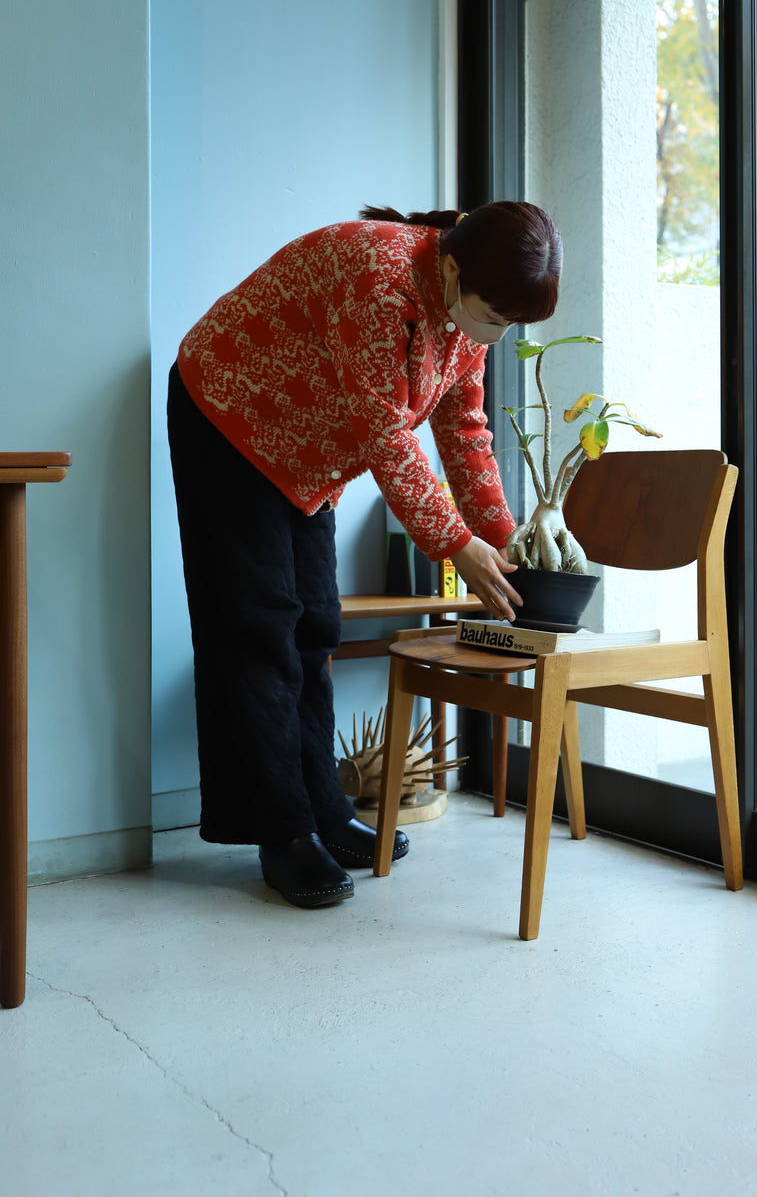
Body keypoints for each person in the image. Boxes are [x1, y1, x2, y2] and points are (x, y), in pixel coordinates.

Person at [167, 202, 562, 909]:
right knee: (257, 628)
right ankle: (280, 832)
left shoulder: (466, 312)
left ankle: (321, 807)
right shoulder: (377, 276)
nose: (497, 337)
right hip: (229, 414)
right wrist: (454, 544)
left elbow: (463, 429)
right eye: (495, 319)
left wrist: (502, 540)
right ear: (450, 269)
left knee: (316, 621)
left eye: (510, 326)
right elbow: (386, 433)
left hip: (309, 453)